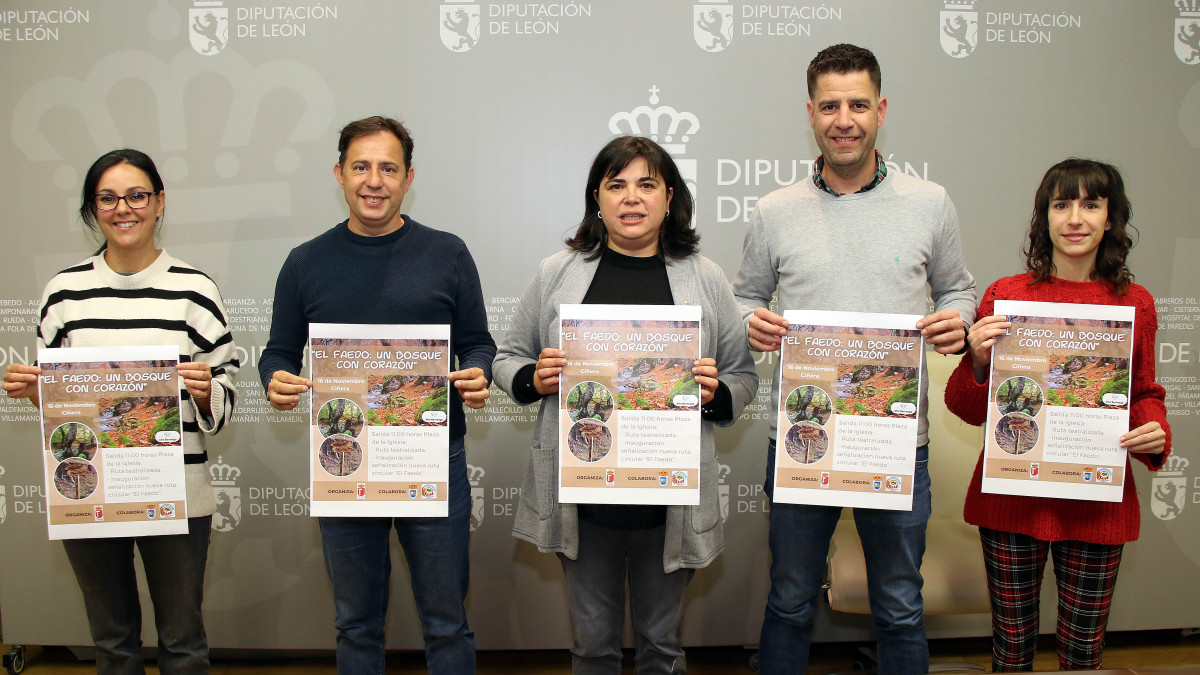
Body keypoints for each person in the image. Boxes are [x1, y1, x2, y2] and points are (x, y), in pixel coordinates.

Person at [731, 43, 977, 674]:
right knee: (789, 599)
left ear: (881, 110)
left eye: (859, 105)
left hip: (895, 438)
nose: (845, 119)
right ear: (811, 114)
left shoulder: (930, 202)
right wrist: (749, 321)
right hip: (803, 434)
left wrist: (960, 318)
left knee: (898, 603)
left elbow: (957, 289)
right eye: (831, 105)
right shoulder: (774, 211)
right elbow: (744, 298)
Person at [492, 136, 758, 674]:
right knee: (591, 646)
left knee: (663, 648)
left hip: (669, 502)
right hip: (585, 498)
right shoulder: (557, 272)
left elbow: (742, 375)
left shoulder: (703, 277)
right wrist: (532, 379)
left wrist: (716, 393)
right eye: (616, 185)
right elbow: (507, 356)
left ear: (669, 198)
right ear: (597, 197)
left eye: (646, 185)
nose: (631, 198)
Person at [258, 115, 494, 674]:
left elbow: (478, 342)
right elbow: (277, 352)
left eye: (388, 168)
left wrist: (479, 372)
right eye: (361, 166)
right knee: (356, 625)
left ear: (408, 177)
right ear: (338, 173)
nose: (374, 180)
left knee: (446, 622)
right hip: (347, 463)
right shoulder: (305, 262)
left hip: (433, 459)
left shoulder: (448, 253)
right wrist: (277, 381)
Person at [2, 149, 239, 674]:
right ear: (93, 209)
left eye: (137, 195)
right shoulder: (62, 294)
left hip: (176, 489)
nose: (123, 208)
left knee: (183, 644)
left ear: (158, 203)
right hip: (90, 487)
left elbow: (224, 398)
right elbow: (63, 409)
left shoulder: (195, 291)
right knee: (112, 643)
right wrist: (35, 392)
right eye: (107, 198)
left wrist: (205, 390)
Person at [945, 158, 1170, 671]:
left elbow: (1145, 392)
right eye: (1061, 204)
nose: (1075, 218)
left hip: (1096, 501)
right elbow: (964, 405)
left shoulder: (1136, 304)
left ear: (1111, 218)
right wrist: (978, 362)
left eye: (1091, 205)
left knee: (1083, 652)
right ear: (1043, 217)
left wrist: (1154, 429)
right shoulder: (1006, 296)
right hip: (1012, 498)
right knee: (1011, 648)